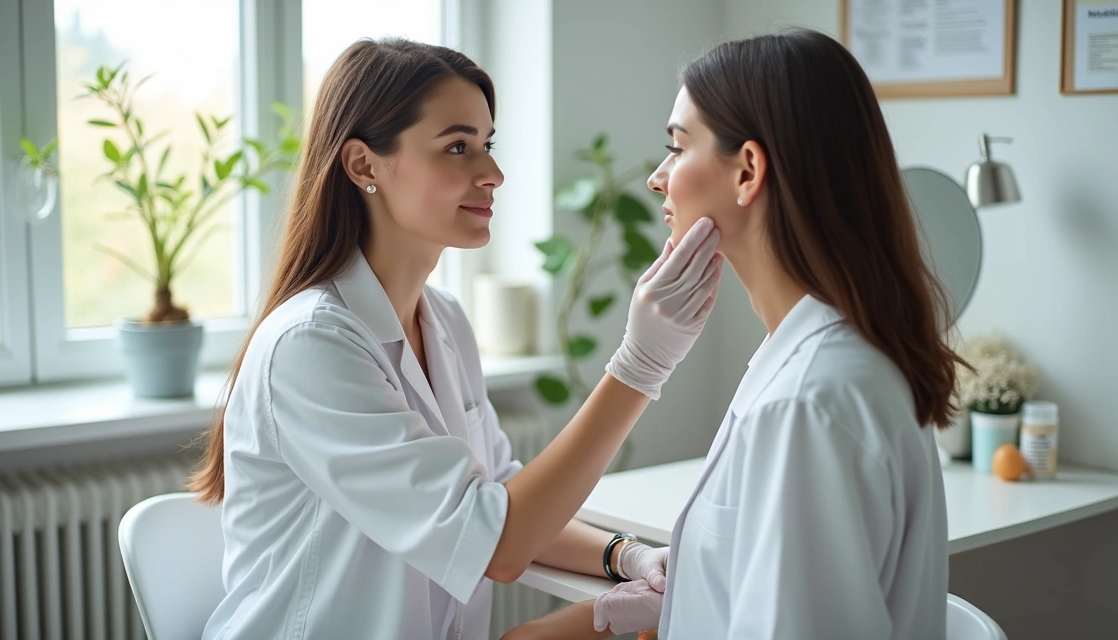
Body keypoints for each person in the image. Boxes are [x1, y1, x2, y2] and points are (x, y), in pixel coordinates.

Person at [186, 38, 724, 639]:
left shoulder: (441, 320)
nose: (492, 173)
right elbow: (498, 543)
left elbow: (496, 498)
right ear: (364, 165)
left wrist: (625, 556)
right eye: (457, 147)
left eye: (486, 145)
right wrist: (640, 364)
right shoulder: (311, 345)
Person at [501, 29, 961, 640]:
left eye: (677, 146)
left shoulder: (807, 401)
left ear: (747, 171)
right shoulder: (815, 357)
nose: (657, 178)